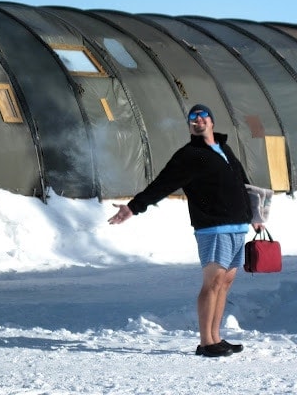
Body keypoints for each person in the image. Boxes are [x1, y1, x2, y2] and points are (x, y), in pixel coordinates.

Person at [108, 104, 263, 357]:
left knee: (225, 283)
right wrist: (134, 207)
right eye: (193, 117)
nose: (198, 120)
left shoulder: (224, 148)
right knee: (212, 283)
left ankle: (216, 337)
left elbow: (242, 183)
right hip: (213, 227)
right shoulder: (191, 155)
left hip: (237, 224)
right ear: (190, 125)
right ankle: (205, 342)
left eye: (203, 116)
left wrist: (255, 214)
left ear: (212, 121)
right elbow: (163, 183)